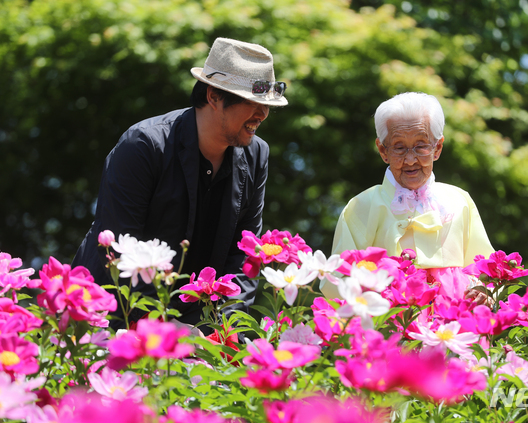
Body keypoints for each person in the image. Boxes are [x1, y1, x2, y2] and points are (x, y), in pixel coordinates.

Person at [72, 37, 288, 329]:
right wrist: (165, 329)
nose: (262, 115)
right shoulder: (144, 145)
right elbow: (119, 248)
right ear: (214, 96)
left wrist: (223, 328)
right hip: (110, 314)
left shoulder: (256, 153)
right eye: (253, 102)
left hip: (196, 328)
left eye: (267, 105)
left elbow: (244, 255)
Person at [321, 92, 493, 302]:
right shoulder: (360, 207)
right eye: (399, 148)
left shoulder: (460, 201)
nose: (410, 160)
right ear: (383, 151)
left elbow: (487, 270)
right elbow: (336, 281)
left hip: (453, 328)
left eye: (421, 146)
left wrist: (484, 292)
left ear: (437, 148)